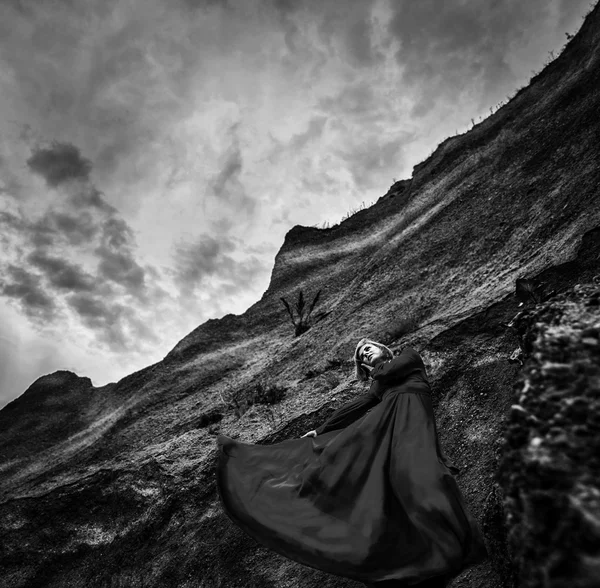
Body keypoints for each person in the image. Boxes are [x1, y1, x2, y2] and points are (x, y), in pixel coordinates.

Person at [216, 338, 488, 587]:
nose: (364, 354)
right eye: (360, 356)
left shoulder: (407, 355)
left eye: (367, 349)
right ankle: (426, 557)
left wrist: (374, 371)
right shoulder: (378, 381)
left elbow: (388, 372)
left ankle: (455, 544)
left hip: (411, 419)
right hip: (384, 426)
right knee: (380, 477)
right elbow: (357, 405)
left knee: (422, 477)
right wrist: (321, 430)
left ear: (382, 347)